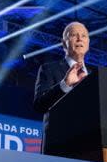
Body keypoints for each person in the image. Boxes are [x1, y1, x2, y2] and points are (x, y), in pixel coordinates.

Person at [33, 22, 90, 151]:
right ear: (64, 43)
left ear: (88, 43)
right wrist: (65, 84)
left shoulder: (94, 74)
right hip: (60, 144)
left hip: (91, 143)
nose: (80, 38)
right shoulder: (49, 69)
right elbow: (39, 105)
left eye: (84, 36)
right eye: (74, 35)